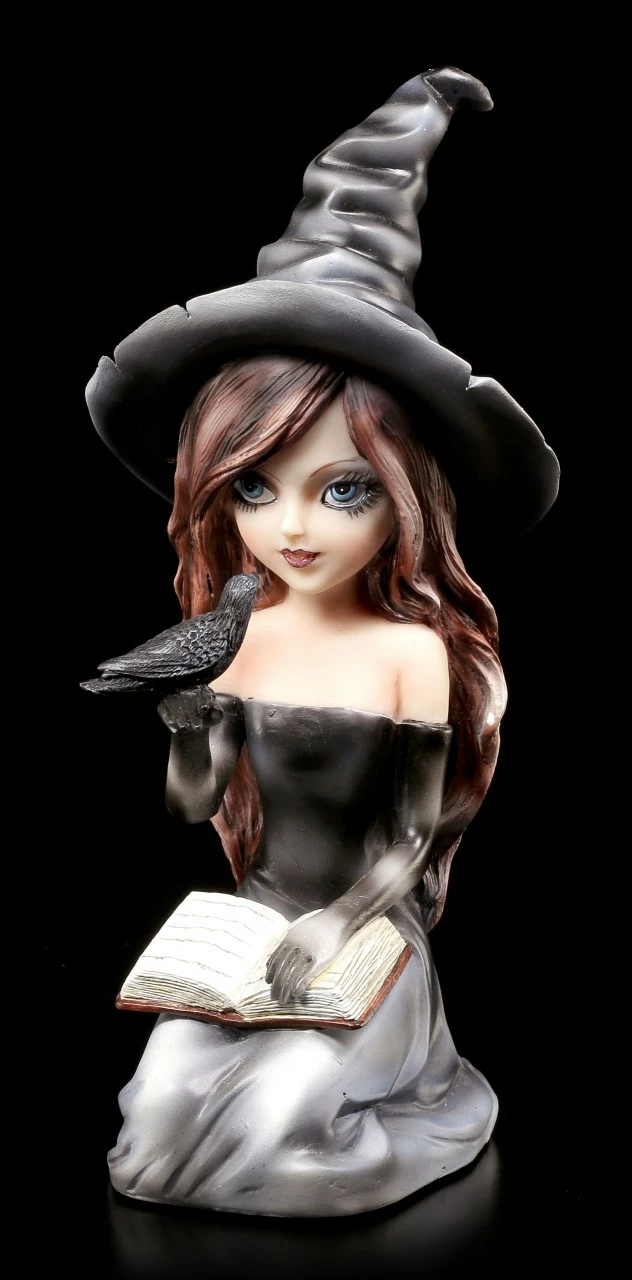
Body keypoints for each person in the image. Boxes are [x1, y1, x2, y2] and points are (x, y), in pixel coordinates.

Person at [84, 68, 559, 1216]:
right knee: (153, 1118)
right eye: (254, 486)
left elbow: (411, 838)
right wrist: (187, 732)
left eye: (342, 488)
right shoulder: (239, 633)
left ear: (407, 497)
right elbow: (195, 806)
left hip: (362, 945)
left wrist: (340, 925)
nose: (292, 526)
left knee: (286, 1115)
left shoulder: (407, 653)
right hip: (247, 934)